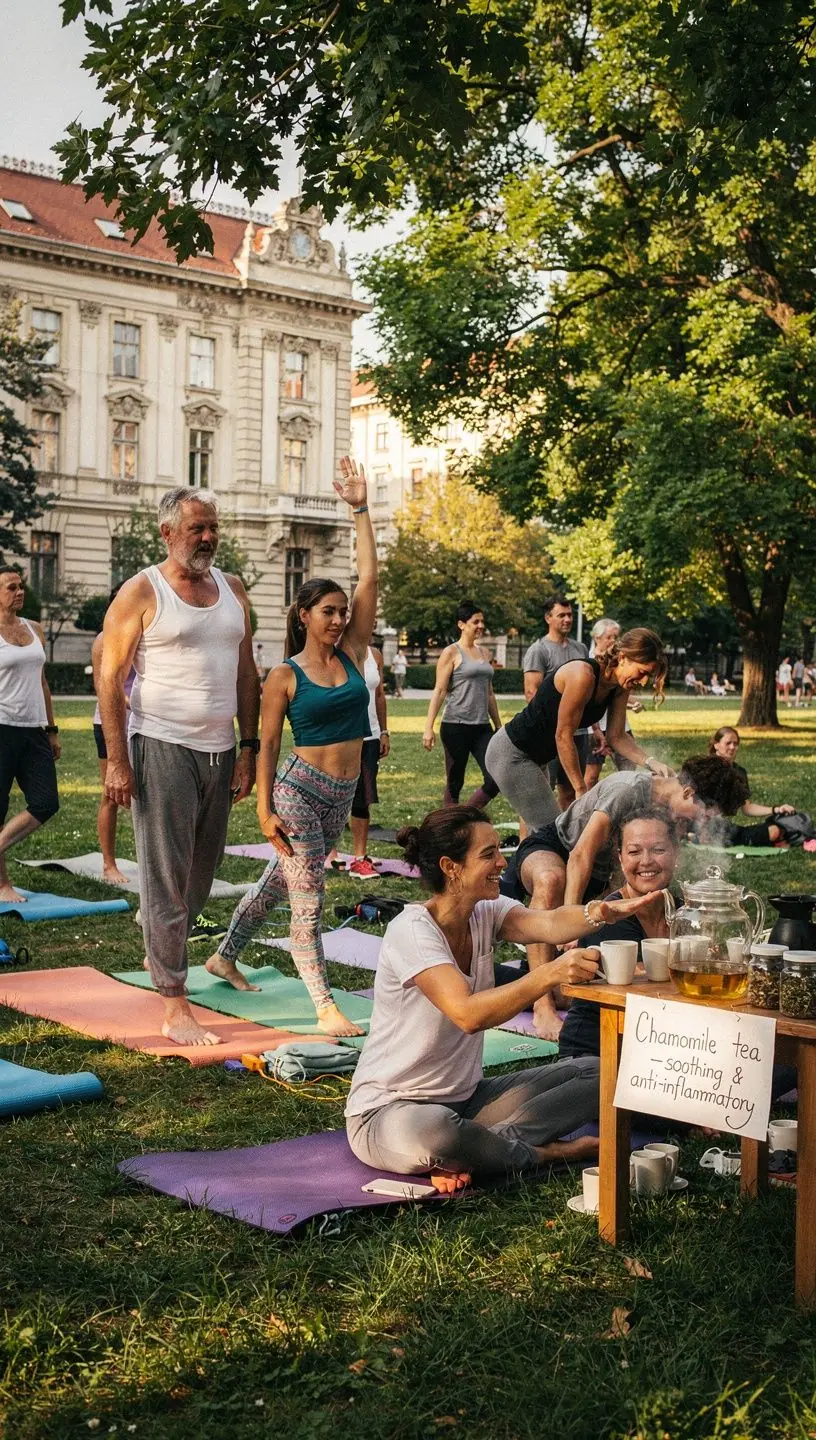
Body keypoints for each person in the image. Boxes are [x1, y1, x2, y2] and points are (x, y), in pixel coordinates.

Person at [345, 806, 664, 1189]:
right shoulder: (411, 932)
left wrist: (603, 912)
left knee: (602, 1071)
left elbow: (548, 923)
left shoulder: (485, 912)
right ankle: (543, 1153)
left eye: (499, 850)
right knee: (438, 1133)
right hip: (386, 1113)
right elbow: (467, 1014)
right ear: (451, 867)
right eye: (489, 854)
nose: (502, 862)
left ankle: (480, 1149)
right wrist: (549, 973)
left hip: (469, 1101)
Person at [207, 456, 378, 1037]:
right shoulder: (284, 674)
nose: (339, 619)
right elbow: (267, 743)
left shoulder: (353, 654)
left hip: (342, 790)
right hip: (300, 791)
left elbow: (371, 580)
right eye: (328, 612)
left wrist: (359, 510)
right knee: (308, 893)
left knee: (282, 881)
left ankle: (224, 954)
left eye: (342, 612)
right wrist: (262, 805)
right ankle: (324, 1004)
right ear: (304, 615)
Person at [98, 487, 260, 1047]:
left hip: (220, 749)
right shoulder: (142, 590)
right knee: (167, 881)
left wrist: (250, 748)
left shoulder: (233, 589)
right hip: (162, 744)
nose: (209, 538)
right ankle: (174, 1002)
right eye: (197, 529)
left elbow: (247, 675)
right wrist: (117, 761)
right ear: (168, 533)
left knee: (200, 877)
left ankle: (159, 940)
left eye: (213, 527)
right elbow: (109, 677)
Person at [499, 755, 737, 1039]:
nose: (701, 824)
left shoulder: (669, 807)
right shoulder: (629, 790)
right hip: (559, 848)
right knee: (551, 881)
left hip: (600, 870)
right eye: (703, 815)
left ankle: (509, 980)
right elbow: (580, 854)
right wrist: (572, 919)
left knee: (595, 974)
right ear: (688, 793)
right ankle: (543, 1008)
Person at [486, 627, 671, 834]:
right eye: (643, 672)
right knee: (552, 835)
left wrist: (651, 762)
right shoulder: (583, 675)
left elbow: (617, 736)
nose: (644, 681)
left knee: (538, 836)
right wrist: (581, 790)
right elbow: (563, 735)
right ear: (622, 657)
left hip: (537, 759)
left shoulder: (619, 686)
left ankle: (524, 863)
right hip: (512, 753)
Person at [558, 805, 680, 1060]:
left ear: (675, 853)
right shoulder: (609, 919)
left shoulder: (684, 913)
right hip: (595, 1053)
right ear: (621, 858)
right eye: (634, 851)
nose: (646, 861)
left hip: (658, 1050)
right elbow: (648, 993)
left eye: (658, 849)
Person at [0, 566, 60, 903]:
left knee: (46, 802)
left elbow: (42, 682)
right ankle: (2, 884)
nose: (19, 591)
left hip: (33, 730)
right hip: (1, 728)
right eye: (11, 587)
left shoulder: (34, 628)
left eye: (21, 586)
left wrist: (52, 730)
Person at [423, 602, 501, 809]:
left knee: (496, 777)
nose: (481, 625)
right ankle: (448, 827)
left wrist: (498, 726)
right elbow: (439, 691)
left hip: (482, 727)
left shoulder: (485, 653)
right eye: (475, 621)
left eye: (482, 621)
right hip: (455, 725)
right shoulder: (451, 652)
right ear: (461, 624)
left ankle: (466, 815)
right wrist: (428, 728)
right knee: (455, 782)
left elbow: (490, 693)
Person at [522, 594, 590, 810]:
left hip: (579, 734)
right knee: (540, 793)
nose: (568, 619)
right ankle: (528, 841)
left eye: (570, 615)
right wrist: (555, 726)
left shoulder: (580, 649)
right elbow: (532, 693)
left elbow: (588, 693)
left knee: (571, 790)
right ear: (548, 618)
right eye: (561, 615)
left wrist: (596, 729)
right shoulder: (539, 650)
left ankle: (564, 838)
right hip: (550, 734)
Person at [703, 726, 796, 846]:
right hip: (700, 823)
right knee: (773, 832)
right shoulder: (705, 768)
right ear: (716, 745)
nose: (732, 747)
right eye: (728, 743)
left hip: (722, 827)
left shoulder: (739, 772)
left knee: (776, 829)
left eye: (735, 744)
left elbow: (747, 808)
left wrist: (776, 809)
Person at [346, 644, 390, 879]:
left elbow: (379, 695)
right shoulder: (337, 650)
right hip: (343, 735)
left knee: (363, 797)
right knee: (337, 796)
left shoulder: (376, 655)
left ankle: (359, 857)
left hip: (371, 735)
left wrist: (384, 731)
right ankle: (329, 855)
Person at [584, 618, 641, 787]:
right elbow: (588, 699)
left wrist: (632, 703)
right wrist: (594, 729)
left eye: (616, 637)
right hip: (594, 727)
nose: (614, 641)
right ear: (597, 638)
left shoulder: (620, 662)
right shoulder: (588, 664)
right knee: (591, 776)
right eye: (609, 637)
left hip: (620, 726)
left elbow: (618, 693)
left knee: (629, 771)